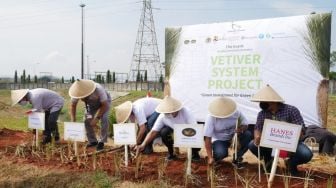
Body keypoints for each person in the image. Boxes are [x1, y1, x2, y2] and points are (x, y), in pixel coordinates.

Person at [248, 84, 313, 176]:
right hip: (269, 143)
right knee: (252, 145)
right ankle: (268, 161)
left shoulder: (291, 110)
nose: (261, 103)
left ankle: (291, 164)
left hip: (291, 143)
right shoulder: (262, 114)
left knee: (306, 154)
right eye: (261, 101)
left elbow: (301, 129)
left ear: (273, 101)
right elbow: (257, 128)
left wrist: (289, 142)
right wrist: (257, 137)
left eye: (264, 101)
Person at [135, 95, 201, 161]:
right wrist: (143, 145)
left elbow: (194, 129)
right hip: (174, 134)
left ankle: (195, 153)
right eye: (169, 111)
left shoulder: (186, 111)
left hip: (188, 132)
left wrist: (189, 141)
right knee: (164, 132)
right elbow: (153, 132)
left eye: (173, 111)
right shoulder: (163, 116)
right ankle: (171, 153)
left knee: (196, 136)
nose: (171, 113)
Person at [204, 97, 252, 169]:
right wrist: (210, 157)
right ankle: (215, 158)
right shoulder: (211, 117)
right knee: (221, 153)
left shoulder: (236, 113)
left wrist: (240, 129)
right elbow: (207, 138)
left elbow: (245, 124)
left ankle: (237, 158)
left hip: (234, 137)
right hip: (219, 139)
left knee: (247, 135)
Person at [69, 79, 111, 151]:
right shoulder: (77, 92)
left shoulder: (98, 89)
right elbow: (73, 106)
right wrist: (73, 120)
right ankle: (93, 141)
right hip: (91, 105)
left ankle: (102, 141)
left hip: (104, 103)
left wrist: (97, 118)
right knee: (86, 120)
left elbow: (105, 105)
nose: (82, 99)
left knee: (104, 119)